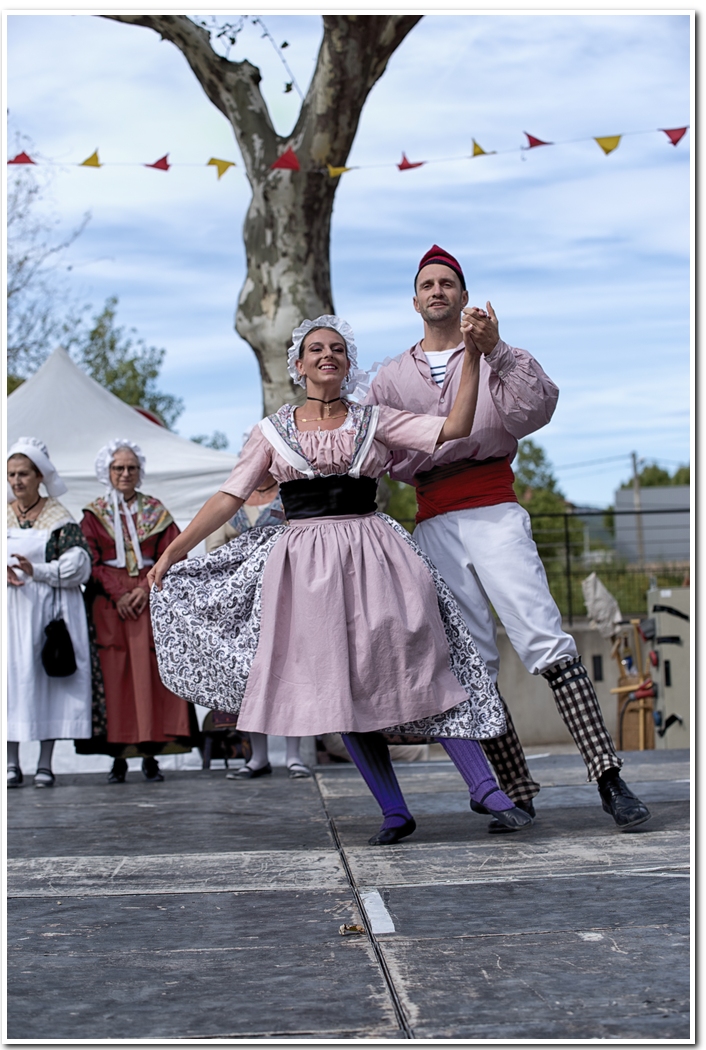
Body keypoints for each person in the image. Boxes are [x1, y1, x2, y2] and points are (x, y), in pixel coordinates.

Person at [148, 314, 534, 844]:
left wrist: (471, 357)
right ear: (299, 365)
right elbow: (229, 496)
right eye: (315, 349)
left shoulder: (375, 420)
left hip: (376, 553)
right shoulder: (270, 432)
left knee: (420, 662)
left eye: (337, 349)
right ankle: (395, 810)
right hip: (304, 570)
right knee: (341, 688)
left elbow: (454, 428)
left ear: (348, 365)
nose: (327, 355)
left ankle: (486, 790)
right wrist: (173, 551)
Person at [364, 244, 651, 832]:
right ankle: (514, 788)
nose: (438, 290)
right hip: (434, 517)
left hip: (494, 506)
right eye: (428, 284)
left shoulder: (498, 356)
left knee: (543, 634)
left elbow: (537, 409)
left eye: (448, 283)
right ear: (414, 300)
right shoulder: (391, 377)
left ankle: (608, 776)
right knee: (472, 658)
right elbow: (377, 452)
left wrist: (493, 348)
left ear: (465, 296)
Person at [79, 440, 193, 783]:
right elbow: (89, 560)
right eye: (119, 468)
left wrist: (142, 589)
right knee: (115, 679)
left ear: (139, 471)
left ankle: (151, 755)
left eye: (131, 468)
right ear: (107, 472)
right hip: (109, 607)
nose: (125, 473)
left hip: (150, 598)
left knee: (152, 678)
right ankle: (118, 758)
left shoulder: (156, 510)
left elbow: (173, 552)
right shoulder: (93, 513)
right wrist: (119, 593)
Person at [205, 469, 310, 780]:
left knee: (295, 671)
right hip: (245, 602)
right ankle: (258, 757)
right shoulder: (232, 500)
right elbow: (215, 551)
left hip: (289, 592)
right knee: (250, 675)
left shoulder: (291, 494)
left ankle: (294, 756)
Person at [7, 438, 94, 788]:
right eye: (11, 474)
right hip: (8, 614)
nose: (16, 481)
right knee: (9, 684)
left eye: (23, 474)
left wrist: (37, 571)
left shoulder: (59, 518)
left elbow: (79, 566)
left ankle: (45, 763)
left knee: (47, 683)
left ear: (39, 476)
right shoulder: (2, 513)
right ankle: (10, 762)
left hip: (46, 612)